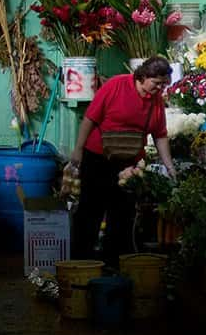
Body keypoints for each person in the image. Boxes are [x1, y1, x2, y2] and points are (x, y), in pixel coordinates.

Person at [70, 56, 176, 264]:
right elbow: (90, 118)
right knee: (90, 212)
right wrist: (78, 150)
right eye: (156, 83)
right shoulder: (116, 85)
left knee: (122, 215)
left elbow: (160, 134)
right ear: (143, 76)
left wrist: (169, 165)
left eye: (164, 84)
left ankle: (113, 267)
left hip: (128, 164)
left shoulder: (156, 101)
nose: (160, 88)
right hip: (98, 158)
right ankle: (81, 264)